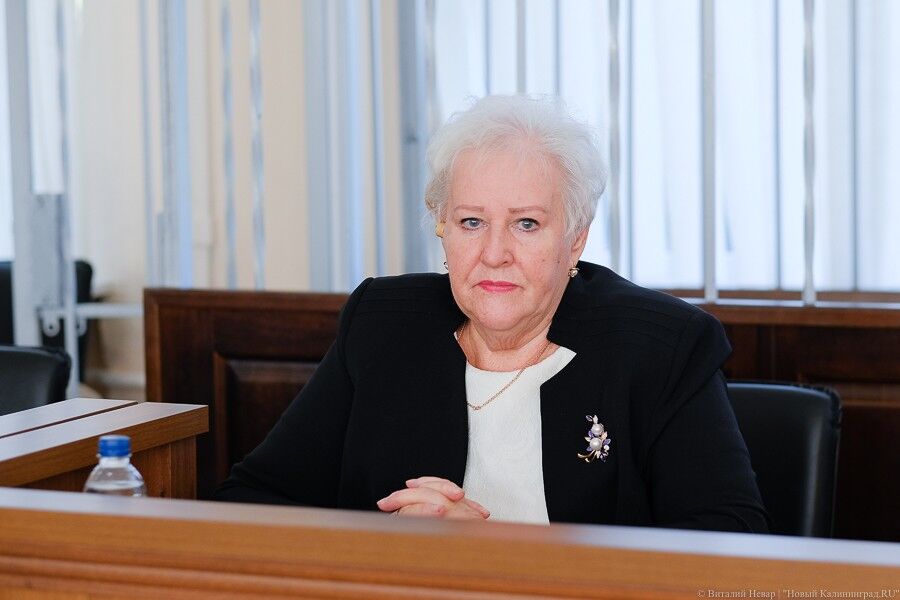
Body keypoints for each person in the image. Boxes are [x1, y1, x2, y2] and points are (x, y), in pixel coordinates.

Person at [215, 95, 769, 532]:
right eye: (471, 222)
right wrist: (383, 549)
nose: (494, 253)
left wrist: (489, 551)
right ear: (442, 228)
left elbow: (726, 546)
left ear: (575, 239)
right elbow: (254, 500)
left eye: (526, 224)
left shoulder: (663, 347)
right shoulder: (383, 326)